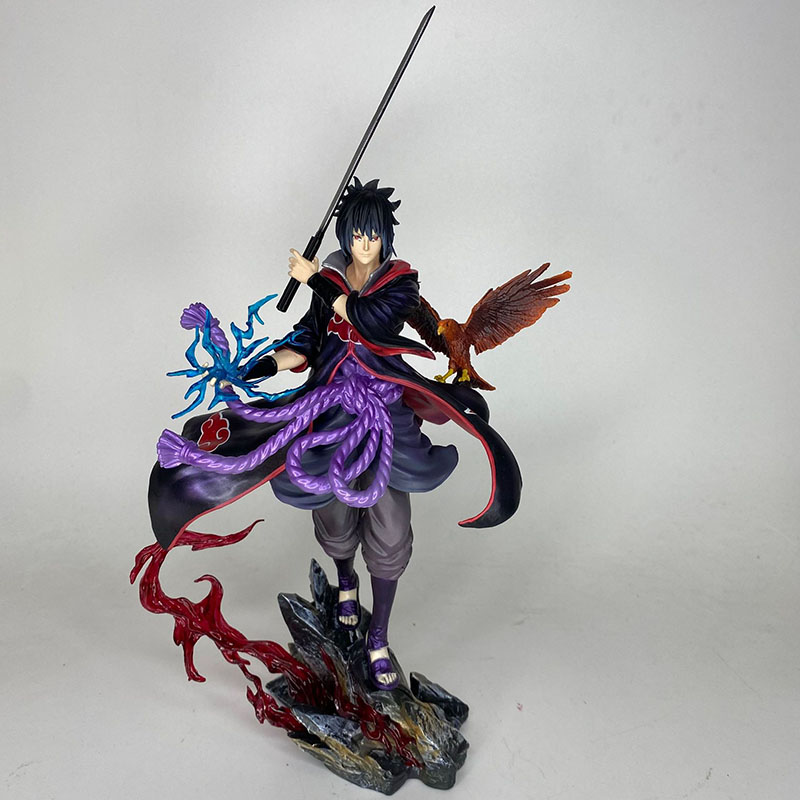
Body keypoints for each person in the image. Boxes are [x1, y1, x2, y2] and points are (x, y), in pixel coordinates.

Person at [148, 178, 522, 690]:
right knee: (331, 514)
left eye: (374, 236)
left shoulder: (401, 285)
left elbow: (368, 321)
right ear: (346, 235)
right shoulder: (329, 278)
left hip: (382, 415)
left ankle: (378, 636)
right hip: (328, 413)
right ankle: (346, 581)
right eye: (357, 235)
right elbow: (308, 339)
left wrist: (313, 280)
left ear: (385, 238)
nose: (365, 244)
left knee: (391, 529)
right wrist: (264, 365)